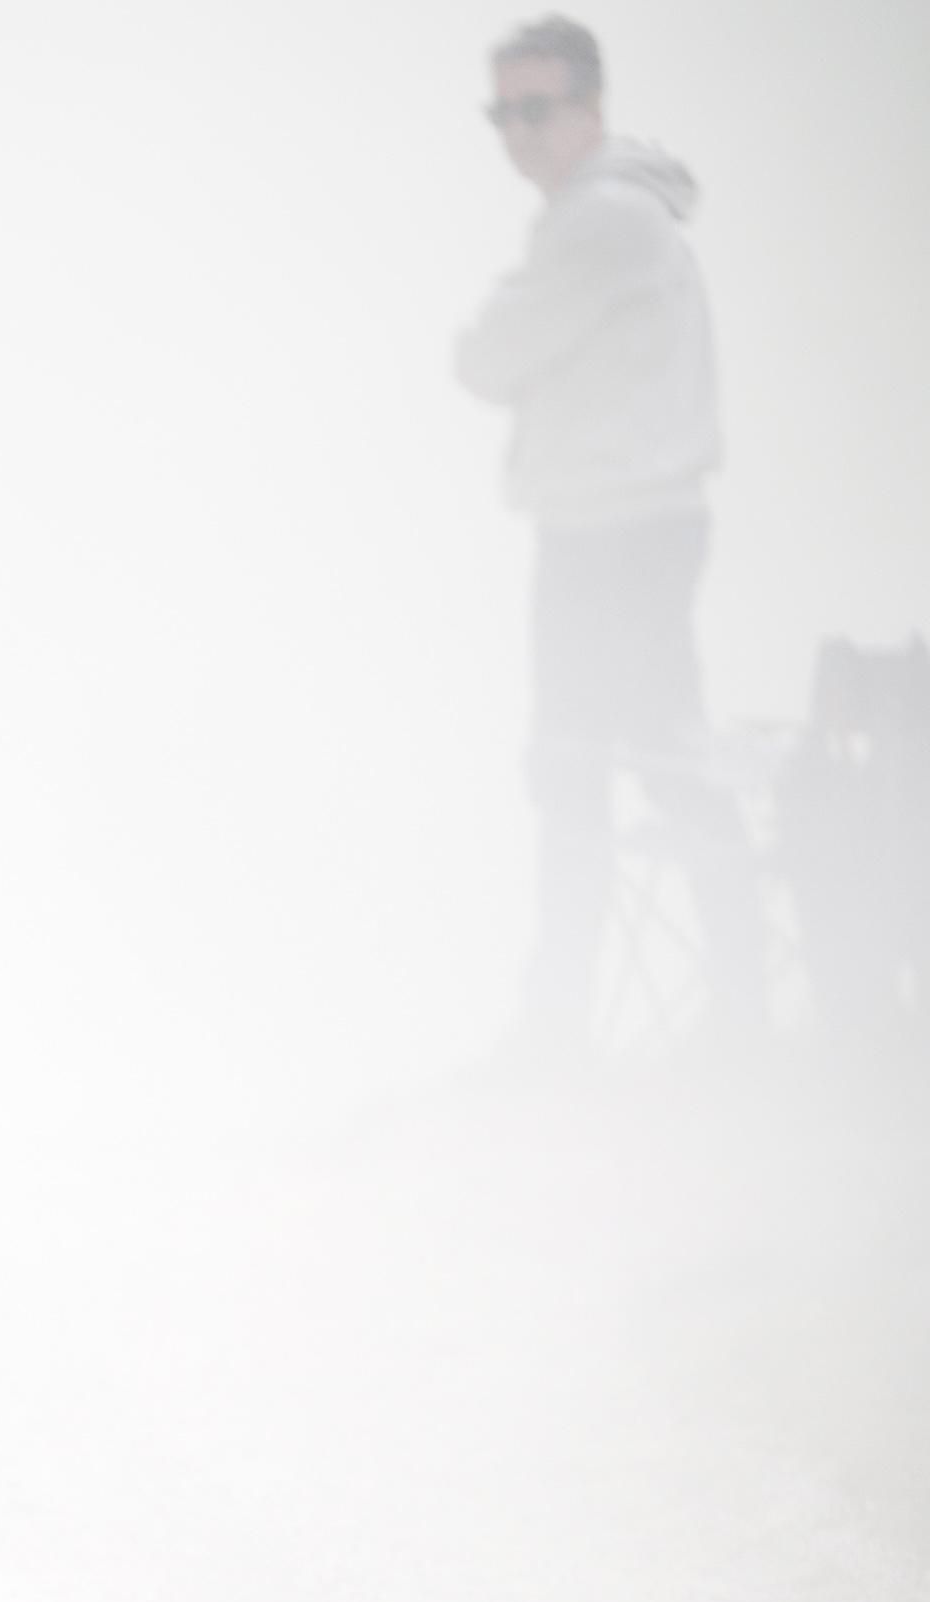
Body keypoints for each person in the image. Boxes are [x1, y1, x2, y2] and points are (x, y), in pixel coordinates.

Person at [455, 14, 763, 1057]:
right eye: (503, 112)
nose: (520, 134)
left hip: (612, 538)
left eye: (539, 109)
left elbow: (488, 358)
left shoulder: (601, 222)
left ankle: (585, 1025)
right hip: (624, 526)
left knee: (599, 766)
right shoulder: (616, 213)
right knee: (624, 763)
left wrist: (500, 330)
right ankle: (711, 1006)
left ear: (593, 106)